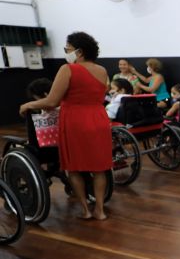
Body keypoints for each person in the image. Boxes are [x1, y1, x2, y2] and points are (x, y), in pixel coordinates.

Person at [19, 31, 112, 220]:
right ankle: (100, 210)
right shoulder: (102, 70)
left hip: (76, 121)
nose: (65, 52)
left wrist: (29, 104)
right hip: (99, 119)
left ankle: (86, 210)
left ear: (79, 52)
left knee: (74, 167)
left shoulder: (68, 69)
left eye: (67, 49)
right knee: (100, 168)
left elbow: (52, 101)